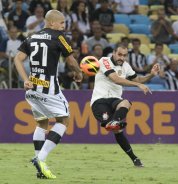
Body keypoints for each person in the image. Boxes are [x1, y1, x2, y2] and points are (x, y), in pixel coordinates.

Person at [14, 10, 83, 179]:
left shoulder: (31, 37)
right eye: (61, 23)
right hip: (49, 87)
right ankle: (41, 159)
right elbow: (71, 59)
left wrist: (25, 79)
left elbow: (17, 59)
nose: (63, 27)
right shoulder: (59, 37)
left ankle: (40, 168)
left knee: (42, 123)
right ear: (51, 23)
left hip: (33, 86)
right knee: (64, 120)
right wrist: (79, 72)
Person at [90, 45, 160, 167]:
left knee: (126, 103)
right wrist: (137, 85)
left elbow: (138, 79)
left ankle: (134, 159)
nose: (121, 58)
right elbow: (116, 79)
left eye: (124, 55)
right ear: (113, 53)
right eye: (119, 54)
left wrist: (151, 75)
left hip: (115, 100)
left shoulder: (126, 66)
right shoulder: (104, 61)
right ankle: (112, 124)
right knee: (117, 130)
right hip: (99, 101)